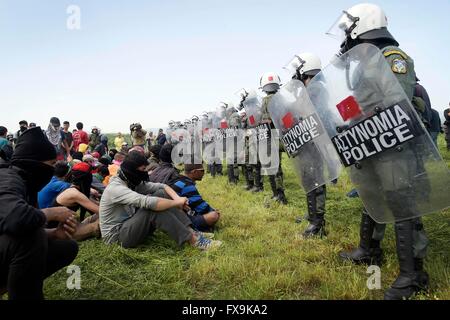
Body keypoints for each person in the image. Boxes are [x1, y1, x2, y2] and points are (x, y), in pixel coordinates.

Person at [330, 3, 430, 300]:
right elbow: (361, 102)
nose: (346, 34)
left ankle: (414, 275)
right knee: (372, 195)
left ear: (363, 23)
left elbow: (397, 103)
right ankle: (369, 250)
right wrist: (346, 121)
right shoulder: (365, 61)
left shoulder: (392, 57)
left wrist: (364, 120)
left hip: (395, 146)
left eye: (349, 27)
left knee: (403, 205)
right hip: (371, 143)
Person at [0, 127, 78, 300]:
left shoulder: (28, 183)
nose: (52, 170)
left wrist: (54, 233)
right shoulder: (7, 179)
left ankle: (14, 286)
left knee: (67, 247)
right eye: (50, 165)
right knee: (31, 238)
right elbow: (16, 219)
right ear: (34, 162)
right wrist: (52, 212)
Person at [99, 151, 221, 250]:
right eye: (142, 170)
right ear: (132, 170)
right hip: (116, 238)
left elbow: (162, 186)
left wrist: (178, 199)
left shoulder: (129, 181)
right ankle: (194, 241)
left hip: (128, 225)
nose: (145, 173)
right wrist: (176, 203)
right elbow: (149, 203)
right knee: (152, 209)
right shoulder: (116, 188)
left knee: (161, 194)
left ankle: (191, 231)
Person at [289, 52, 329, 237]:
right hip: (306, 142)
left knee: (316, 180)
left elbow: (312, 116)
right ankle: (312, 214)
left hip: (314, 142)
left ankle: (318, 223)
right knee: (308, 179)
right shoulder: (307, 89)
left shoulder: (316, 88)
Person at [52, 162, 101, 241]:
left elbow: (94, 204)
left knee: (96, 217)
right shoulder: (74, 194)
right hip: (61, 233)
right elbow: (101, 211)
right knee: (104, 219)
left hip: (68, 227)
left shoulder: (74, 189)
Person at [259, 72, 287, 204]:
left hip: (270, 137)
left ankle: (278, 195)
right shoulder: (282, 98)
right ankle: (279, 194)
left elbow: (263, 120)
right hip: (284, 135)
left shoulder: (264, 101)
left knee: (273, 167)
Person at [171, 164, 220, 232]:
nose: (204, 173)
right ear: (194, 172)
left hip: (176, 215)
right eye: (202, 170)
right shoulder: (187, 186)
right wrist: (213, 210)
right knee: (214, 215)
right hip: (180, 219)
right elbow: (201, 207)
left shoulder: (180, 180)